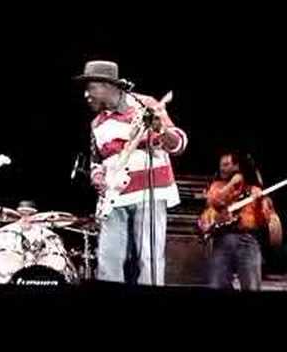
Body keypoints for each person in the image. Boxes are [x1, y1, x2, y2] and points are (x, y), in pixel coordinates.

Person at [75, 60, 188, 285]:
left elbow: (179, 145)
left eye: (91, 88)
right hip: (114, 197)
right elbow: (97, 160)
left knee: (150, 258)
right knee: (108, 259)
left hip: (150, 191)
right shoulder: (96, 123)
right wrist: (97, 176)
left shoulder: (145, 104)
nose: (86, 95)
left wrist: (160, 129)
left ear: (108, 85)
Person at [199, 151, 282, 290]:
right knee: (217, 284)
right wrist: (232, 184)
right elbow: (214, 201)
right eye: (221, 165)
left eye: (226, 165)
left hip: (248, 241)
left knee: (251, 286)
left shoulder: (253, 189)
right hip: (223, 241)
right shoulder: (217, 186)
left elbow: (264, 221)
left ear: (237, 166)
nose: (222, 169)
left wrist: (261, 201)